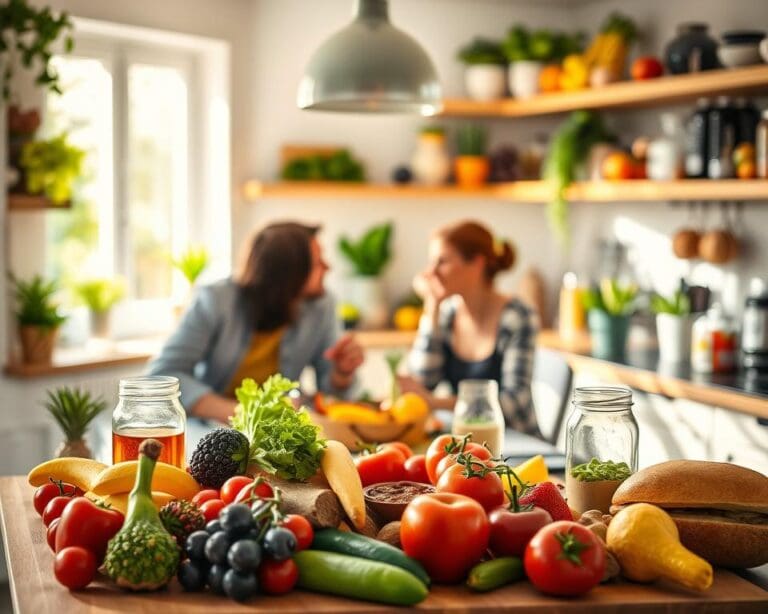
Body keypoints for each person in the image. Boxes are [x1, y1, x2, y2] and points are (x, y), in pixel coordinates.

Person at [147, 222, 363, 426]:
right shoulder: (215, 300)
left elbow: (333, 397)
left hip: (279, 433)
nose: (328, 267)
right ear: (288, 274)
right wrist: (243, 413)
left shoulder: (321, 306)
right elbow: (161, 375)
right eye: (317, 262)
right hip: (212, 431)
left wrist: (341, 374)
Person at [400, 220, 541, 437]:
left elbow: (514, 402)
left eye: (442, 262)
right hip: (467, 443)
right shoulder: (447, 314)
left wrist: (435, 403)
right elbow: (423, 381)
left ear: (477, 263)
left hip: (516, 443)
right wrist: (432, 305)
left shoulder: (518, 316)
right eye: (431, 262)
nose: (430, 273)